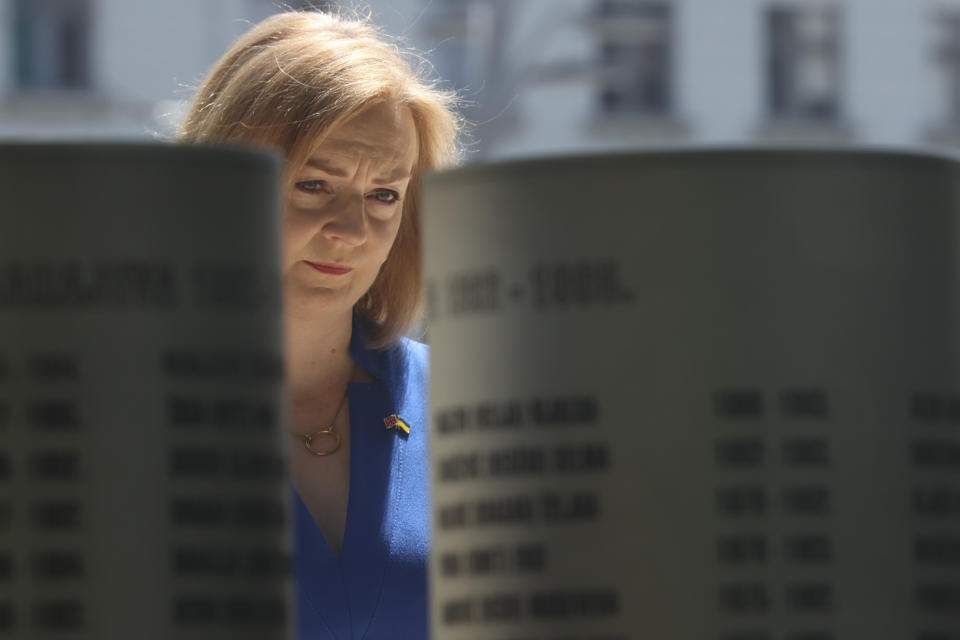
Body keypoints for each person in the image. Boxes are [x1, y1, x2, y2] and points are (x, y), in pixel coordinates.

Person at [178, 9, 460, 638]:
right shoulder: (120, 405)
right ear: (212, 184)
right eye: (313, 184)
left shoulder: (464, 405)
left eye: (384, 194)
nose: (353, 232)